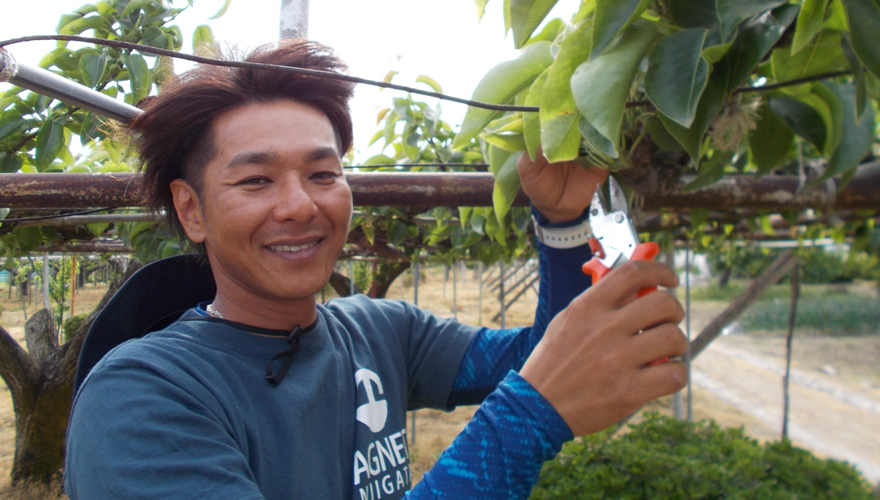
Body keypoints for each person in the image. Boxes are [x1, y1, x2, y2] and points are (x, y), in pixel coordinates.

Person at [64, 40, 688, 499]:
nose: (300, 204)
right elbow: (539, 383)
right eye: (255, 180)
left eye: (323, 174)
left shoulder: (379, 332)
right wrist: (526, 419)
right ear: (191, 208)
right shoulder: (142, 396)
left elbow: (536, 355)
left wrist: (563, 224)